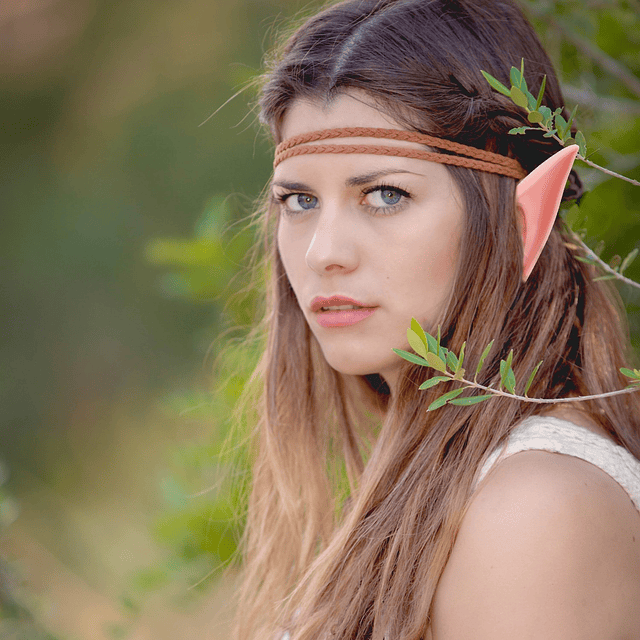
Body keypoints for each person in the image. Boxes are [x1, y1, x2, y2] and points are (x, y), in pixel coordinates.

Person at [232, 1, 640, 638]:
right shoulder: (442, 478)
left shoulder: (535, 508)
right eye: (300, 200)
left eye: (385, 195)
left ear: (519, 216)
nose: (323, 252)